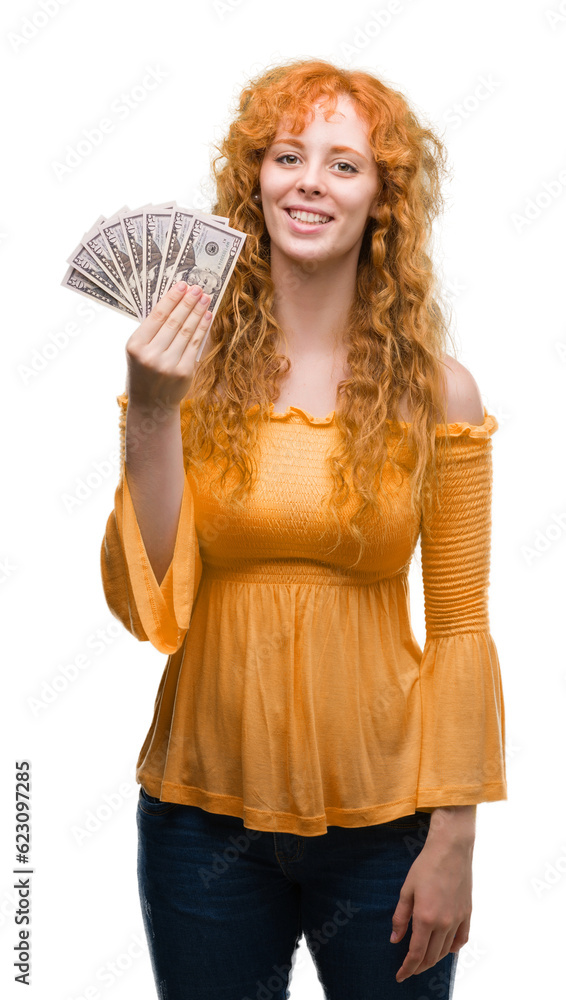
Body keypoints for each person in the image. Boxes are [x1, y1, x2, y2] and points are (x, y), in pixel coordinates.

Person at [100, 58, 507, 1000]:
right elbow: (151, 610)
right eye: (289, 156)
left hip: (387, 826)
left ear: (383, 201)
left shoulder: (437, 392)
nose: (311, 182)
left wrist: (455, 840)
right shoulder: (186, 372)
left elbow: (458, 623)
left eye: (344, 164)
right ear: (256, 179)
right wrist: (153, 413)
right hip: (201, 824)